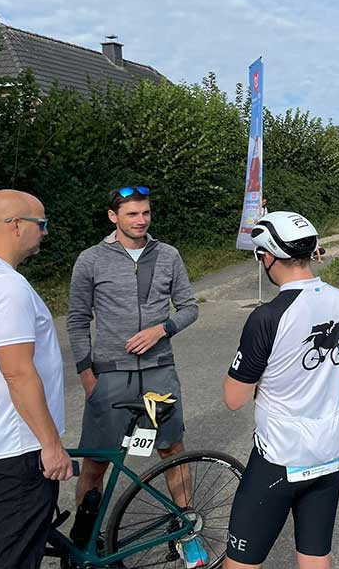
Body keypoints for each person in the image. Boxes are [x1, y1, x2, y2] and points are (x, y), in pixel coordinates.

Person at [224, 211, 339, 568]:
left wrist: (279, 379)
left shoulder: (268, 316)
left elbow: (234, 397)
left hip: (280, 457)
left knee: (240, 563)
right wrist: (319, 375)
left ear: (268, 257)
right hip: (331, 454)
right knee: (315, 556)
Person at [66, 186, 202, 562]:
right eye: (132, 214)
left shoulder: (168, 255)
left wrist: (163, 329)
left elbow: (190, 307)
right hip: (110, 376)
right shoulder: (91, 260)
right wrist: (85, 374)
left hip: (159, 371)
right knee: (97, 460)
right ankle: (86, 538)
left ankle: (186, 530)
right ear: (114, 217)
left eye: (145, 213)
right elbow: (77, 320)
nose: (141, 220)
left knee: (172, 451)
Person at [0, 190, 72, 569]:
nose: (45, 233)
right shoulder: (7, 287)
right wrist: (50, 445)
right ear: (16, 226)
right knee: (11, 558)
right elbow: (17, 371)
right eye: (42, 223)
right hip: (15, 451)